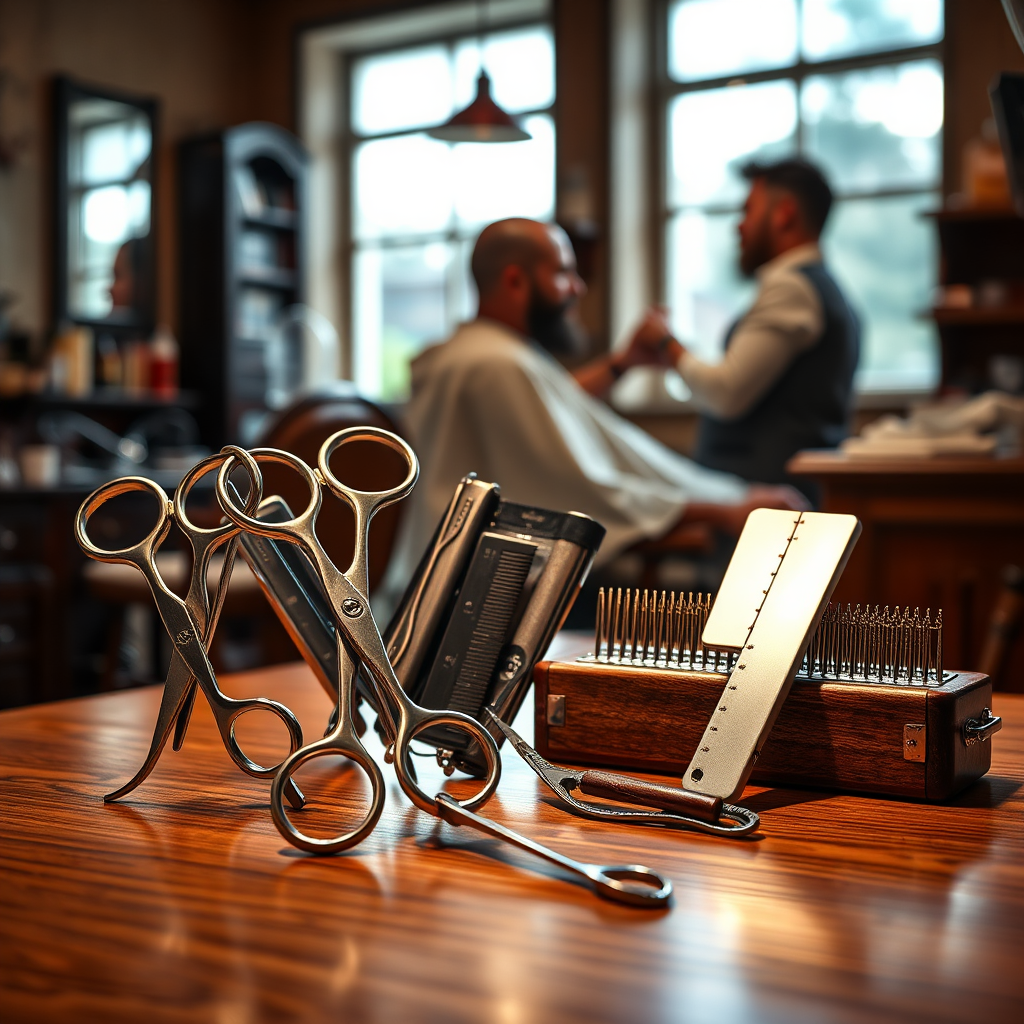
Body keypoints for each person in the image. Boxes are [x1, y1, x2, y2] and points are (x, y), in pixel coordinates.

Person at [386, 217, 806, 588]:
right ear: (515, 281)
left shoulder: (471, 352)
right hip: (487, 591)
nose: (579, 287)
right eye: (564, 273)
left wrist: (621, 365)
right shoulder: (498, 364)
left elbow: (555, 405)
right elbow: (587, 491)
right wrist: (725, 508)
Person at [639, 158, 860, 497]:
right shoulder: (819, 287)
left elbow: (726, 392)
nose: (738, 226)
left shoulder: (792, 288)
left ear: (783, 213)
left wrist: (666, 342)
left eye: (748, 210)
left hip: (765, 508)